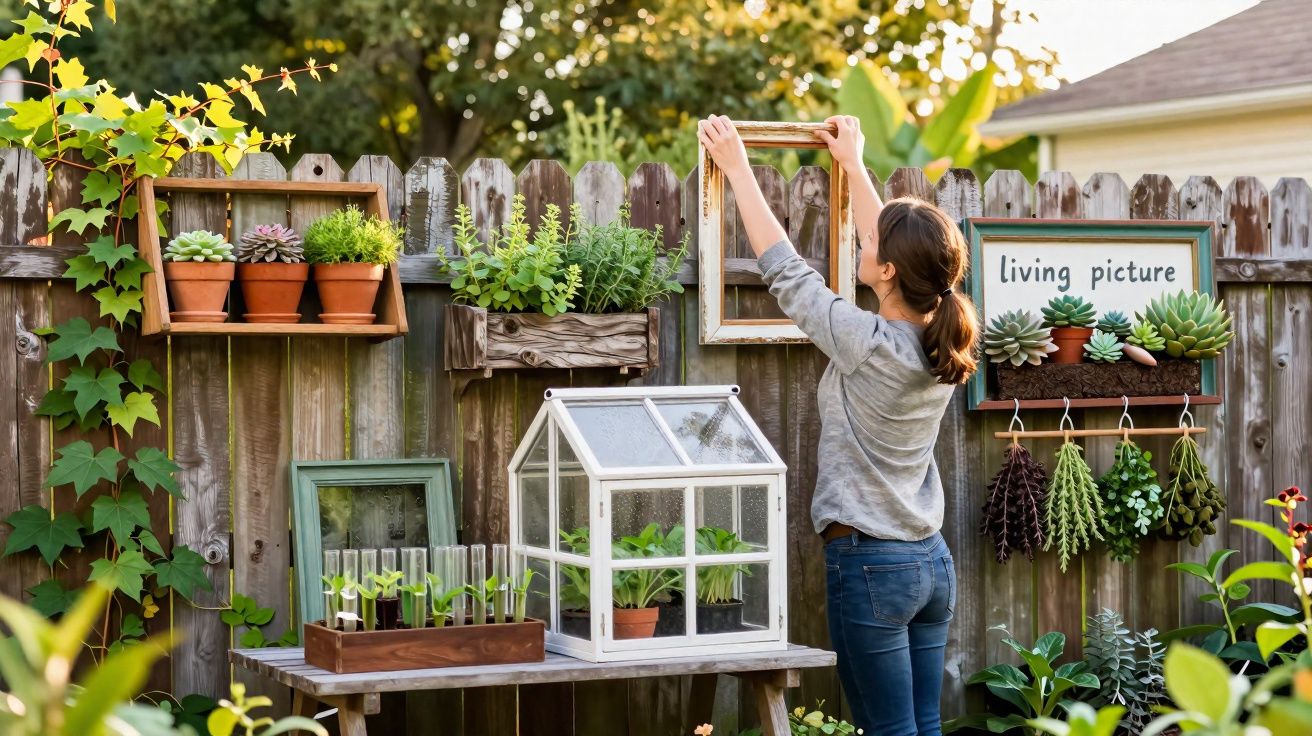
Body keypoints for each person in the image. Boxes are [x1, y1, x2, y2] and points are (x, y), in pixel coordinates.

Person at [697, 114, 979, 736]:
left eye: (870, 246)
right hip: (929, 563)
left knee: (890, 733)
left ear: (889, 274)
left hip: (872, 563)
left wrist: (737, 167)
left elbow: (787, 273)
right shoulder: (939, 342)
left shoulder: (869, 342)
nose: (861, 245)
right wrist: (852, 163)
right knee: (923, 728)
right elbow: (900, 249)